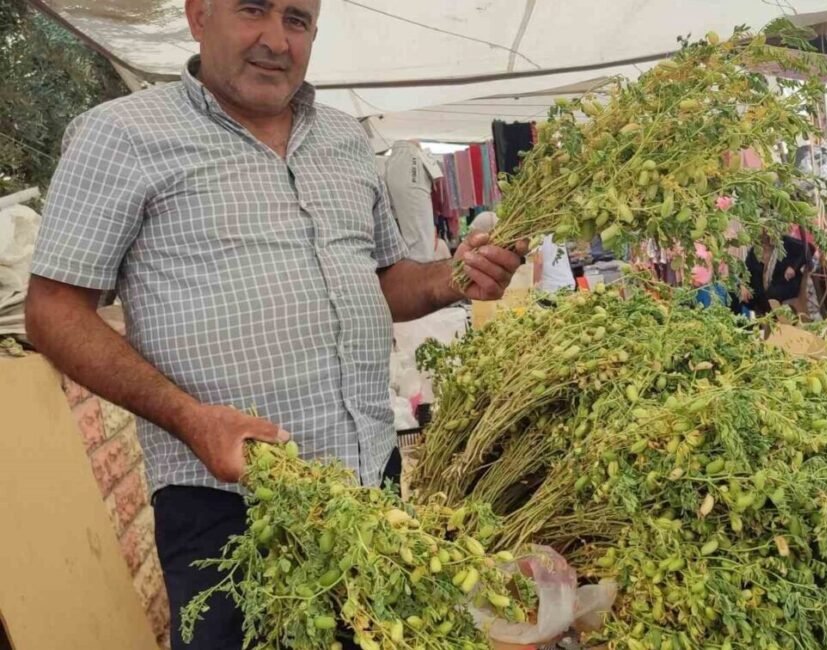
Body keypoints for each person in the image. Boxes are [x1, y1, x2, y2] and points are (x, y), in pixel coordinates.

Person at [23, 2, 527, 648]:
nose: (276, 40)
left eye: (297, 18)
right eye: (252, 9)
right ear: (199, 15)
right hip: (225, 510)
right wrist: (190, 418)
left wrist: (453, 277)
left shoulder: (345, 140)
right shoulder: (122, 134)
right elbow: (53, 309)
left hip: (369, 483)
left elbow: (381, 280)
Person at [735, 234, 809, 315]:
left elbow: (809, 248)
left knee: (771, 294)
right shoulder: (755, 251)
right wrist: (743, 286)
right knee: (736, 294)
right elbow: (745, 271)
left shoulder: (785, 243)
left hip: (784, 286)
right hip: (761, 295)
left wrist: (794, 267)